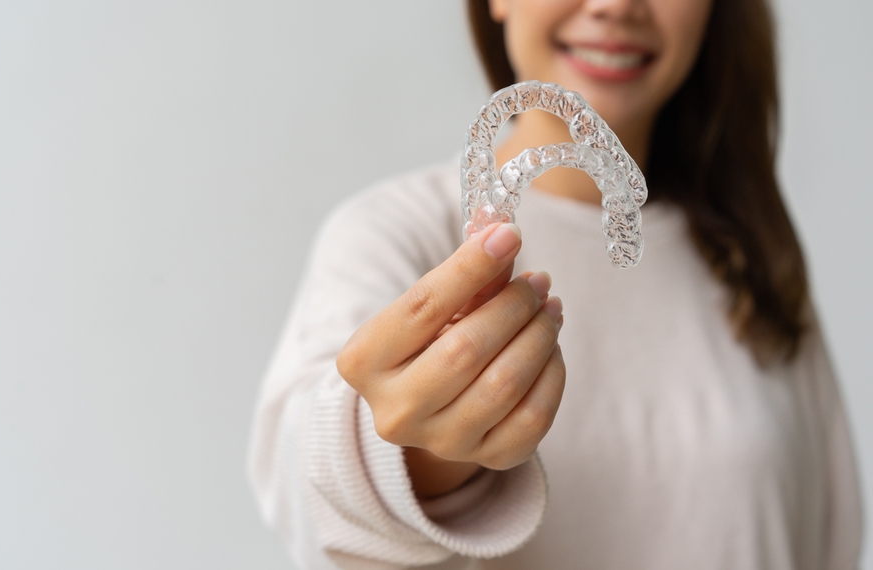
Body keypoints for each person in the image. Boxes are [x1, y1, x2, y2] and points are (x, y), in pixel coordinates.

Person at [249, 0, 863, 568]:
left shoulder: (751, 259)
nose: (615, 6)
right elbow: (307, 485)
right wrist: (418, 459)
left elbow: (831, 531)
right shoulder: (392, 235)